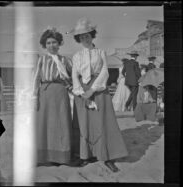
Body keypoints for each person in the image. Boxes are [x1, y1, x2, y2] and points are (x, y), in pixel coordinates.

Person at [70, 18, 128, 172]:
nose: (85, 38)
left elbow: (104, 72)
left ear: (92, 35)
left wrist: (92, 90)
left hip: (99, 90)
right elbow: (75, 75)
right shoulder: (76, 56)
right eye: (81, 37)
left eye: (87, 35)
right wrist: (81, 92)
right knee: (85, 123)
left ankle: (107, 156)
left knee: (103, 121)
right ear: (78, 39)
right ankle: (85, 155)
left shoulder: (101, 52)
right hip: (81, 92)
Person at [32, 27, 73, 166]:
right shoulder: (41, 59)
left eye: (54, 42)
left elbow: (73, 78)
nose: (51, 45)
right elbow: (35, 79)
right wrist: (34, 97)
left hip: (61, 94)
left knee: (61, 124)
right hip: (45, 93)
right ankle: (43, 156)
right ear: (45, 45)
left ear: (59, 43)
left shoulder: (66, 60)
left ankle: (60, 157)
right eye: (48, 43)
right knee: (44, 124)